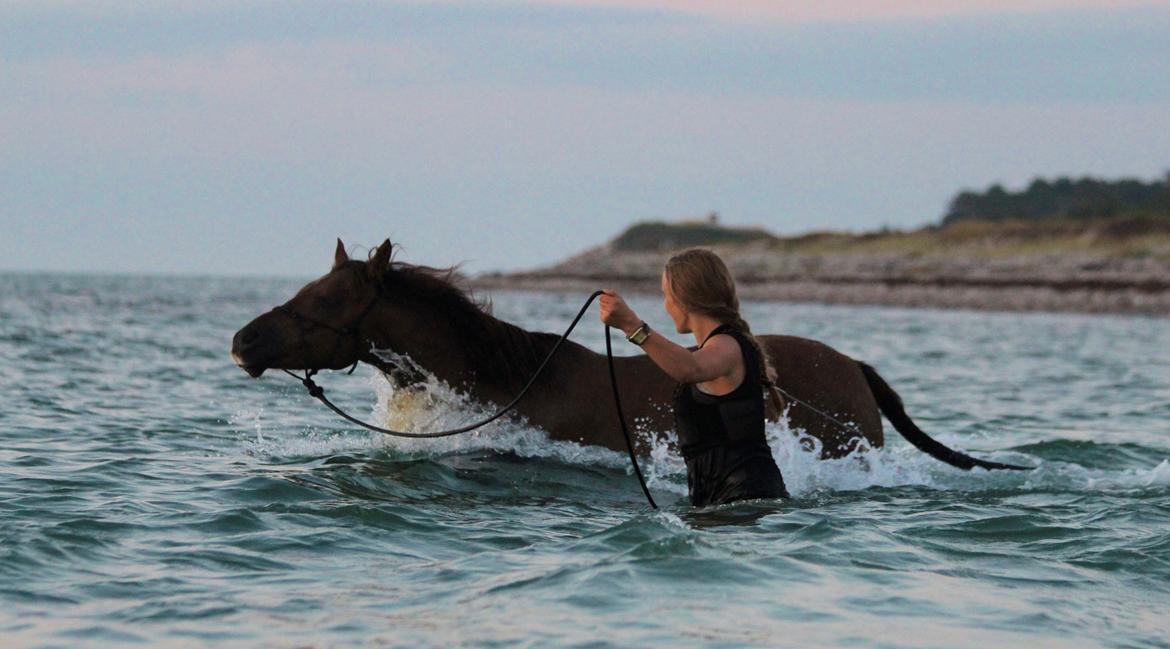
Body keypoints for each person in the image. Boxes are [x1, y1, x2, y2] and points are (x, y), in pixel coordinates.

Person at [599, 248, 790, 507]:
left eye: (666, 295)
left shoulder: (727, 345)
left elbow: (690, 369)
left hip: (746, 497)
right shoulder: (729, 347)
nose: (665, 305)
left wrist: (632, 326)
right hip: (729, 500)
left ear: (684, 299)